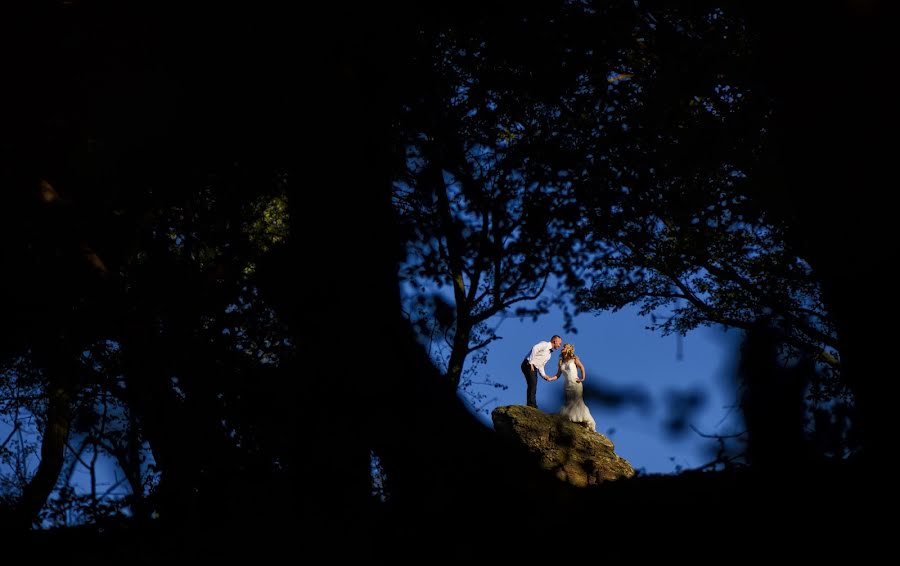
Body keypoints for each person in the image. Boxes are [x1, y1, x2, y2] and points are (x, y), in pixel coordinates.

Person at [549, 343, 596, 432]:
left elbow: (582, 367)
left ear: (568, 349)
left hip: (575, 382)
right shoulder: (561, 361)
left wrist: (583, 378)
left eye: (564, 347)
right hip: (567, 385)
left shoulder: (574, 359)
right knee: (568, 402)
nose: (562, 348)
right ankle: (571, 419)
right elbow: (558, 375)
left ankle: (585, 421)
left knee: (578, 401)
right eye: (563, 347)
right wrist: (550, 378)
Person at [520, 335, 562, 409]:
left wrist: (544, 375)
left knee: (533, 385)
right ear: (555, 341)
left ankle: (532, 404)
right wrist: (531, 362)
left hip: (534, 367)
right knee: (532, 384)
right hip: (528, 364)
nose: (560, 345)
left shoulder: (549, 355)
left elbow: (541, 365)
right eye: (559, 343)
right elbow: (535, 348)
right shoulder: (545, 344)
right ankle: (531, 405)